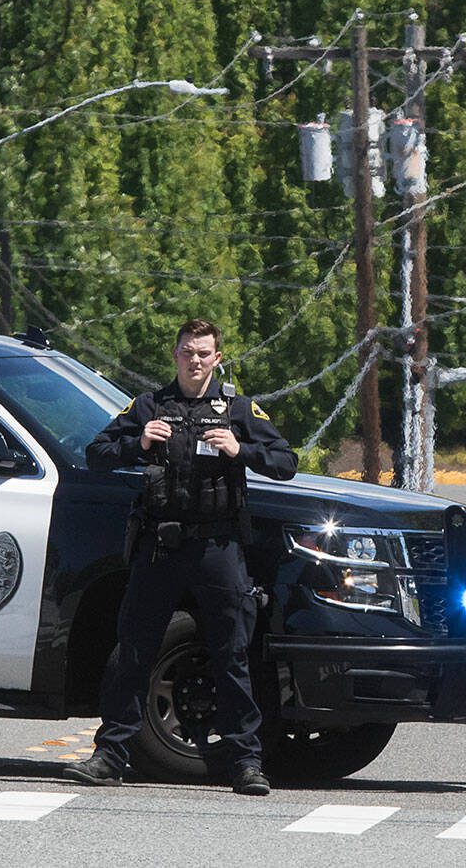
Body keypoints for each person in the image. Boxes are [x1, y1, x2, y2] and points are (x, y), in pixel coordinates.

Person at [62, 319, 297, 795]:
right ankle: (111, 755)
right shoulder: (149, 406)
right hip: (162, 545)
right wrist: (139, 442)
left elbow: (286, 464)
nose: (195, 360)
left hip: (218, 546)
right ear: (175, 355)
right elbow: (95, 454)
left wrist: (241, 448)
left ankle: (245, 762)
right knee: (134, 650)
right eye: (188, 351)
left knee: (232, 653)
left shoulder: (237, 408)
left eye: (204, 353)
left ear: (217, 358)